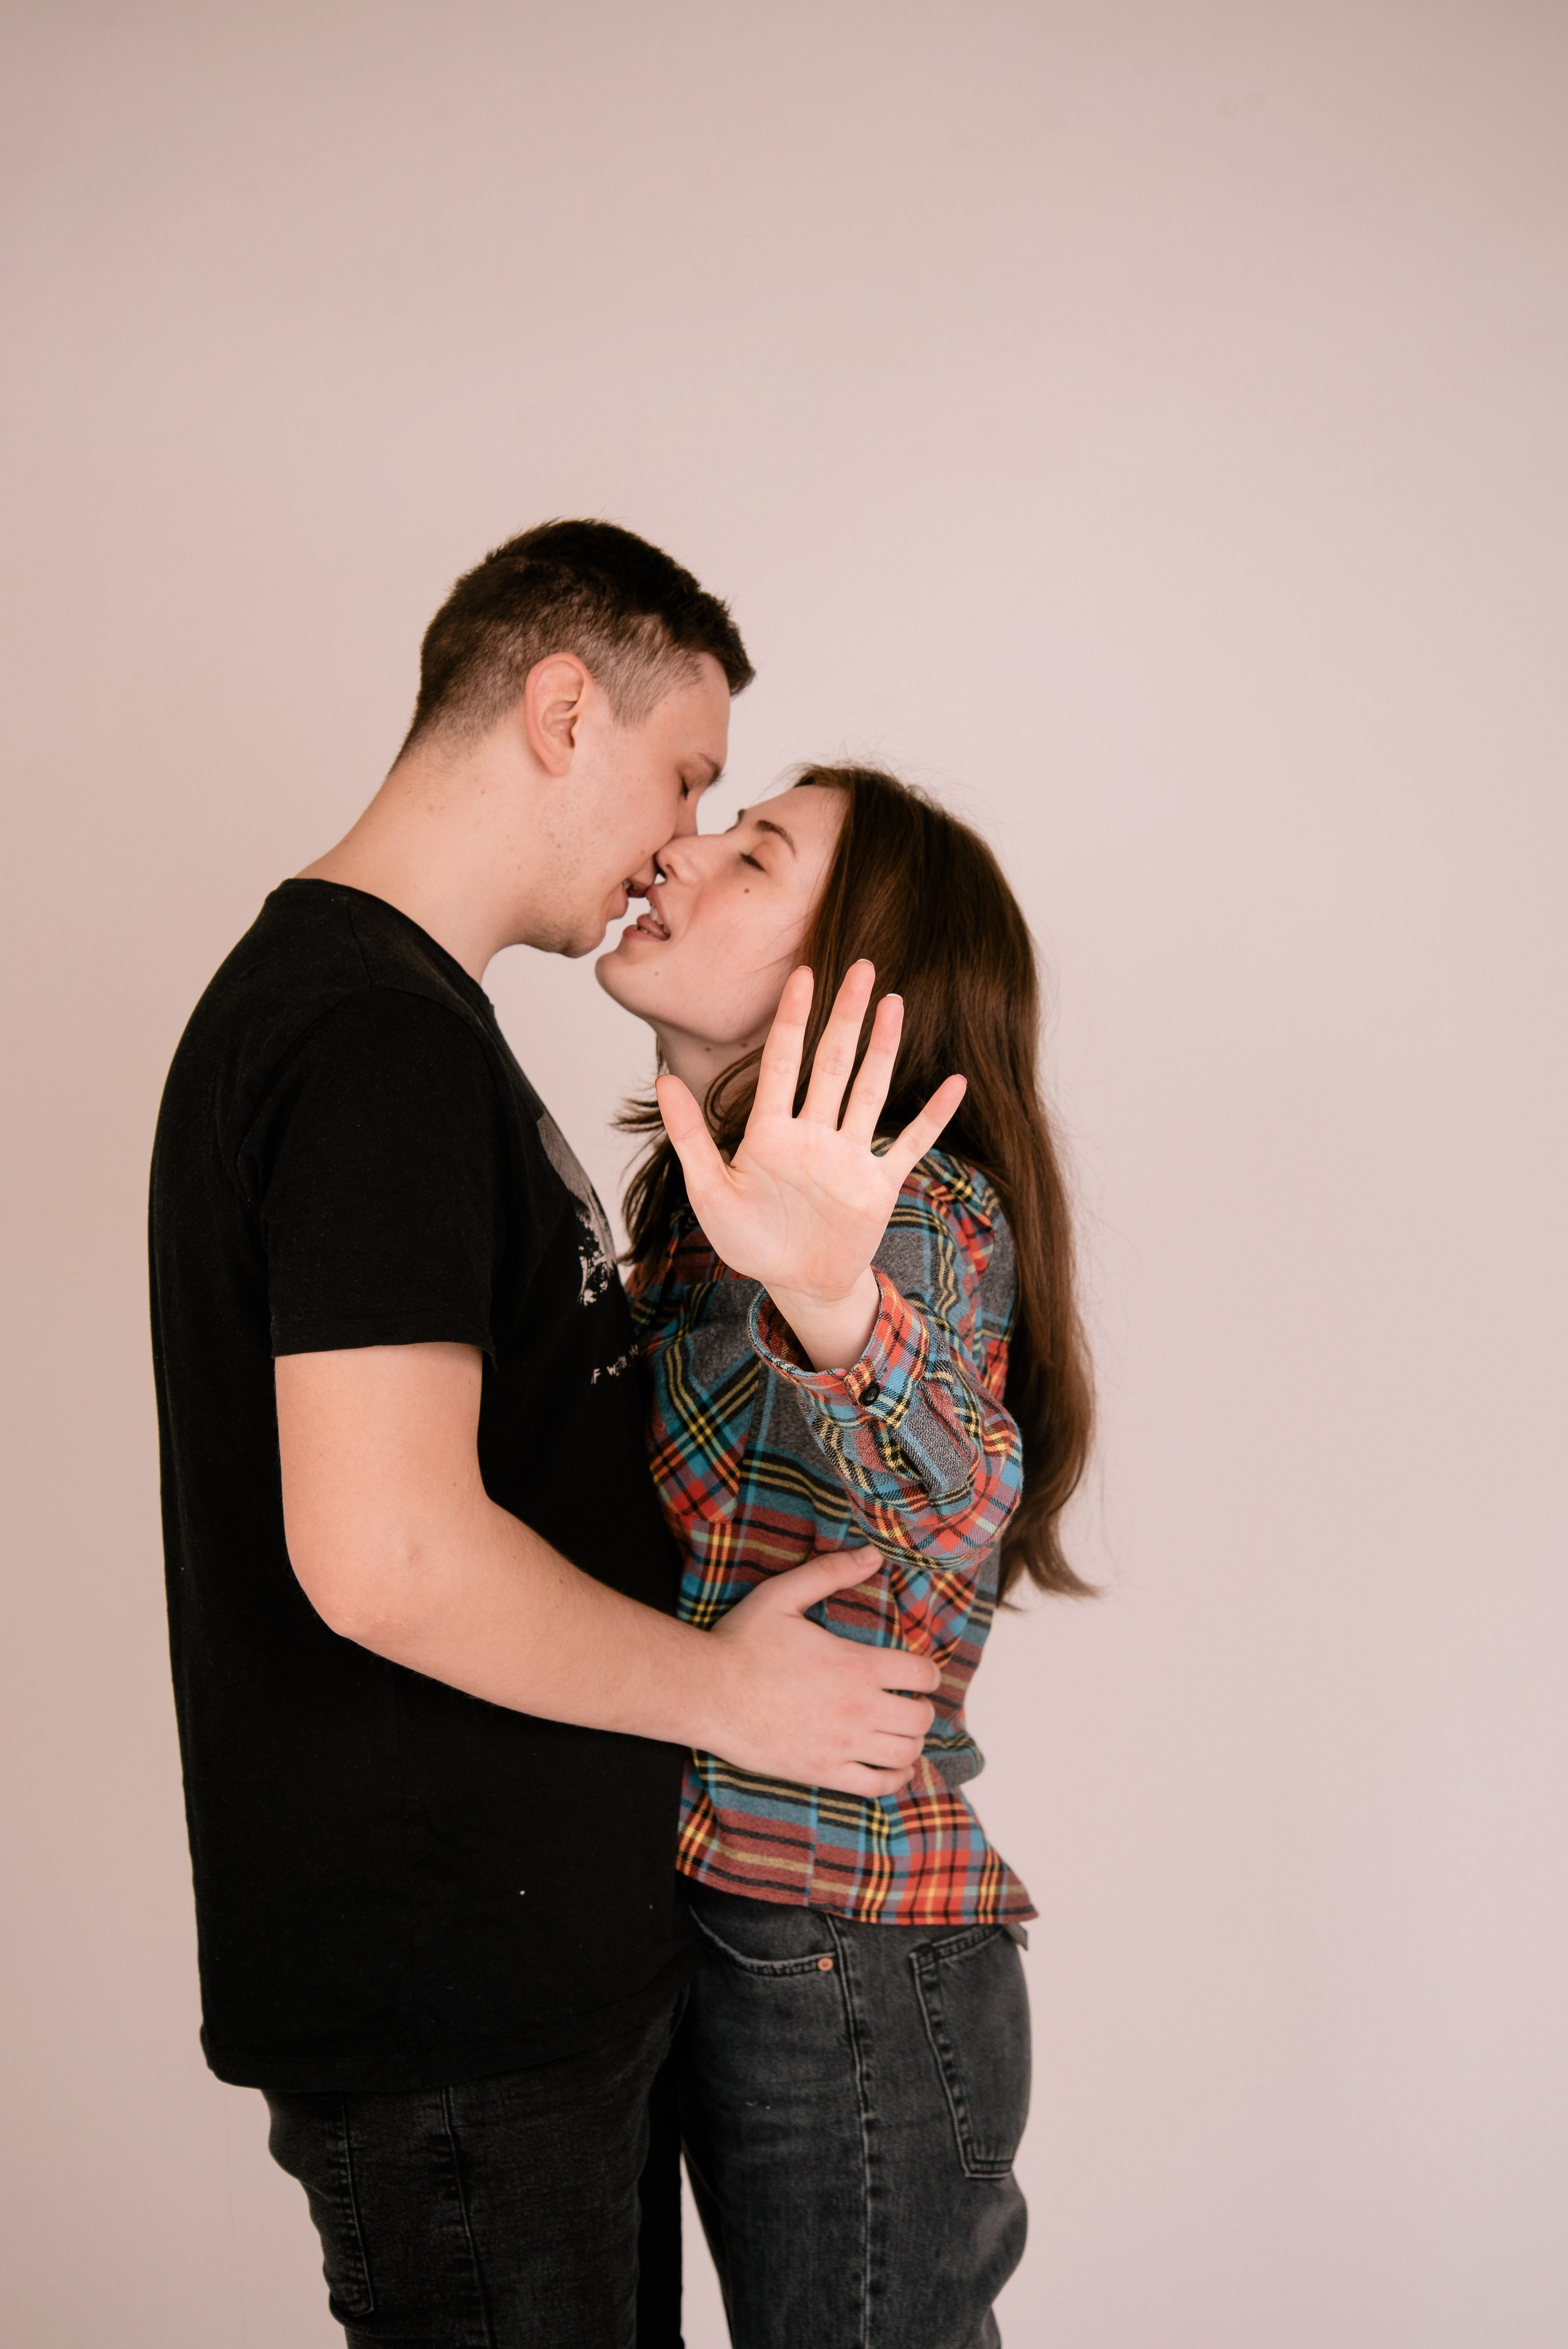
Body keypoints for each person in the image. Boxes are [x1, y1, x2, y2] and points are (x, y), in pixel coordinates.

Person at [147, 528, 943, 2349]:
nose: (675, 840)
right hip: (461, 2031)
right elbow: (388, 1553)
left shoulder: (390, 1024)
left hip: (510, 2013)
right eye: (686, 778)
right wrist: (727, 1696)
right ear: (562, 709)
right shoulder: (368, 1045)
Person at [597, 763, 1095, 2349]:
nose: (676, 849)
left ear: (851, 985)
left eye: (753, 853)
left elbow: (952, 1500)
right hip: (735, 1924)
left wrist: (830, 1301)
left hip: (848, 1952)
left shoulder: (910, 1214)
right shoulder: (687, 1222)